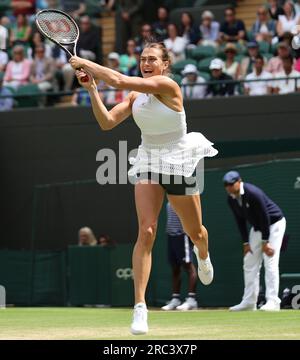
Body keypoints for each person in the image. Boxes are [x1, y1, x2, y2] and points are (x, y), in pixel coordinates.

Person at [69, 41, 217, 335]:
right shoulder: (136, 95)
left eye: (152, 59)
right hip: (149, 157)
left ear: (164, 65)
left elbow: (120, 79)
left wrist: (86, 63)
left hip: (178, 157)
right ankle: (140, 308)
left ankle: (203, 254)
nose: (146, 63)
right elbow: (108, 122)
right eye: (142, 59)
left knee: (195, 232)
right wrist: (92, 89)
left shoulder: (168, 85)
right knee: (147, 231)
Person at [223, 171, 286, 311]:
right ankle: (249, 302)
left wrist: (265, 241)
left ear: (239, 181)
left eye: (231, 184)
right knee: (249, 262)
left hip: (274, 223)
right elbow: (240, 221)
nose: (228, 187)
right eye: (226, 185)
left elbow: (265, 216)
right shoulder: (231, 199)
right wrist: (246, 243)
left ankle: (273, 302)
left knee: (270, 261)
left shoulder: (253, 193)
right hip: (257, 227)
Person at [161, 202, 198, 311]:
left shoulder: (184, 198)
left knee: (188, 267)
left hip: (183, 235)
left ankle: (192, 300)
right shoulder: (169, 201)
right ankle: (175, 299)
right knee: (175, 268)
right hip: (171, 236)